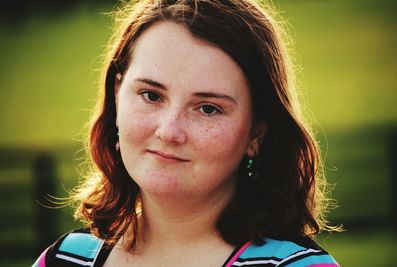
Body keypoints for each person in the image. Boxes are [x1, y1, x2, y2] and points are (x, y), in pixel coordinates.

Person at [33, 0, 340, 266]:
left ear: (256, 132)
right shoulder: (64, 260)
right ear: (117, 94)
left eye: (207, 108)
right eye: (151, 96)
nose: (169, 131)